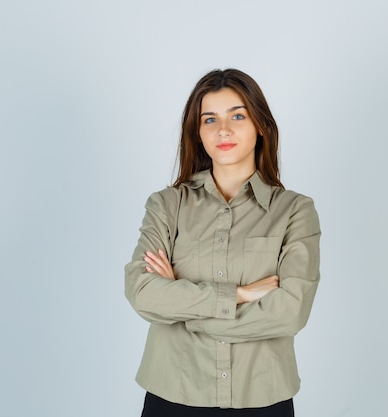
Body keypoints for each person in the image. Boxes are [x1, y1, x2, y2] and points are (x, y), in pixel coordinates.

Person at [125, 68, 321, 417]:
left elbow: (290, 312)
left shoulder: (295, 211)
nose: (223, 129)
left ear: (259, 125)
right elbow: (142, 292)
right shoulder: (167, 206)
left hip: (262, 398)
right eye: (210, 119)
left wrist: (186, 314)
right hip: (173, 396)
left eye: (238, 115)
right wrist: (238, 295)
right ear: (198, 133)